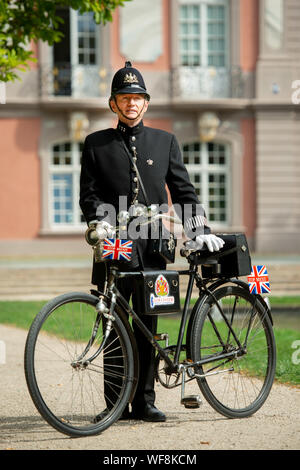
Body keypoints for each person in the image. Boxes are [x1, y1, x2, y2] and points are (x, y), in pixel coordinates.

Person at [79, 61, 224, 422]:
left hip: (153, 245)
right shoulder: (95, 145)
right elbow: (88, 195)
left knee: (148, 326)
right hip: (114, 244)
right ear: (114, 103)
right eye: (125, 97)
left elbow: (183, 191)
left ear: (147, 103)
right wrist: (99, 222)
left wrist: (198, 230)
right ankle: (115, 404)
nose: (131, 103)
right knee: (113, 324)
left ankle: (144, 401)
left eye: (138, 97)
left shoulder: (165, 141)